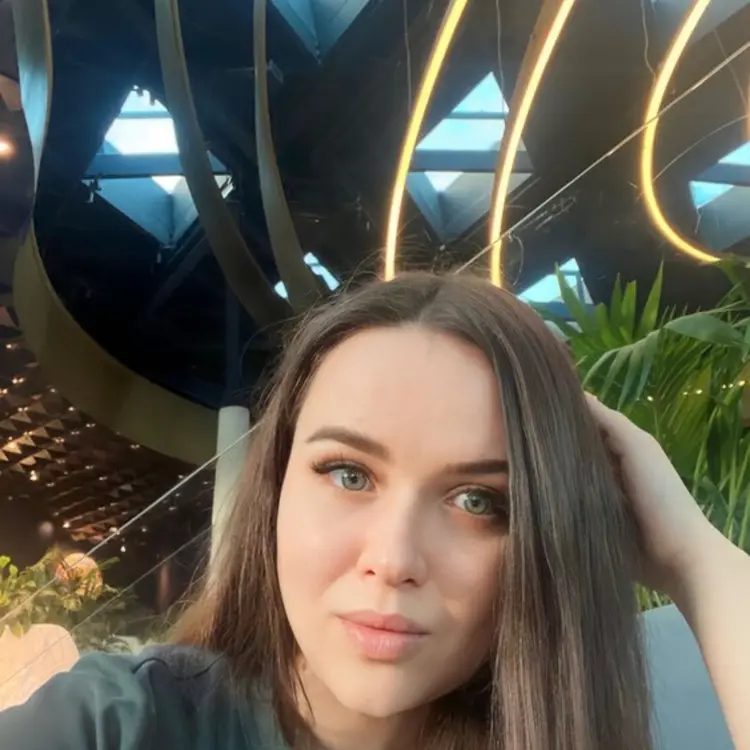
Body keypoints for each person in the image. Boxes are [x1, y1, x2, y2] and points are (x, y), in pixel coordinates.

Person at [1, 271, 749, 750]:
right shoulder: (119, 726)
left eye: (478, 500)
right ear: (275, 493)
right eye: (349, 474)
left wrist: (694, 556)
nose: (392, 560)